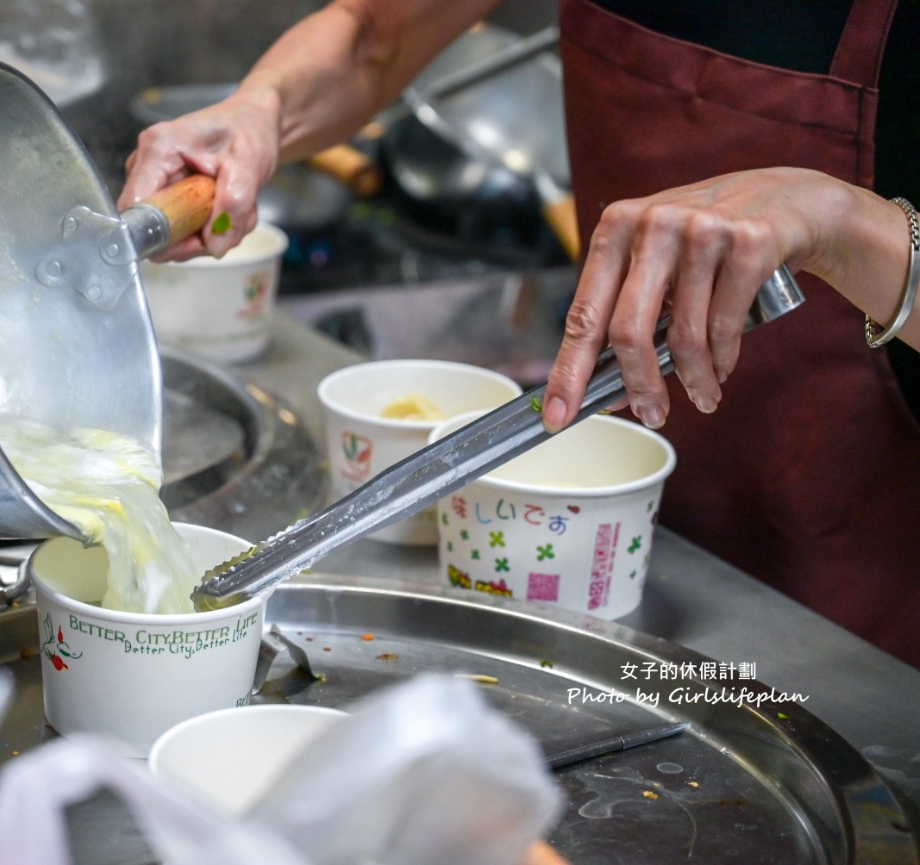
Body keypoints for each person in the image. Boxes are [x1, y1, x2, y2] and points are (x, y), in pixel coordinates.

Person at [119, 0, 920, 669]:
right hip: (631, 519)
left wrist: (845, 225)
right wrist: (261, 112)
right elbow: (375, 34)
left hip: (868, 570)